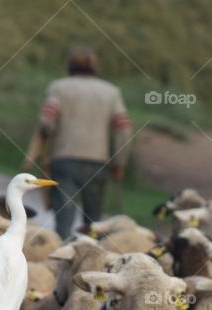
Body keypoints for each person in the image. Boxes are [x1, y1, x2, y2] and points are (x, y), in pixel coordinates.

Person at [23, 46, 132, 238]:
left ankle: (61, 256)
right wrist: (120, 163)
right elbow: (123, 129)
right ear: (95, 66)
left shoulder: (59, 87)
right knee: (94, 225)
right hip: (98, 162)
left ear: (69, 65)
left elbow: (46, 121)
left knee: (64, 221)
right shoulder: (111, 92)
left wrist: (43, 144)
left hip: (64, 160)